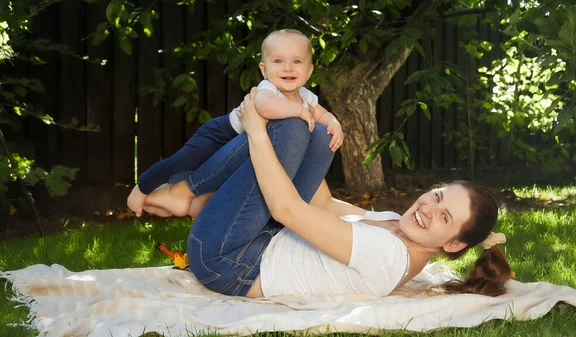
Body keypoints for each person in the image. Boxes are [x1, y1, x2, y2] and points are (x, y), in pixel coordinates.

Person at [141, 88, 513, 298]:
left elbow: (287, 208)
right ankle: (197, 202)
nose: (429, 208)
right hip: (261, 239)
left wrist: (257, 130)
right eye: (438, 195)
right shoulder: (393, 225)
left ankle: (186, 190)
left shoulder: (386, 254)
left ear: (452, 245)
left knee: (284, 129)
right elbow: (321, 203)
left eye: (445, 217)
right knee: (313, 134)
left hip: (229, 263)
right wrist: (322, 122)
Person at [127, 29, 344, 217]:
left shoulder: (306, 97)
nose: (287, 68)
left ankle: (166, 200)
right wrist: (299, 111)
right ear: (264, 69)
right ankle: (142, 188)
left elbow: (321, 114)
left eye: (296, 61)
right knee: (181, 162)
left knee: (213, 185)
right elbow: (266, 107)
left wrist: (333, 122)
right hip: (219, 136)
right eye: (278, 61)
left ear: (309, 70)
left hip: (241, 148)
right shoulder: (268, 89)